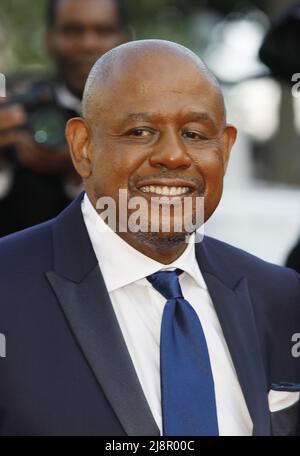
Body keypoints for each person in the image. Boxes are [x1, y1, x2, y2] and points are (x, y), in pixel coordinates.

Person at [0, 40, 299, 437]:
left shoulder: (280, 296)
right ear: (83, 147)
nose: (173, 156)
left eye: (194, 134)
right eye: (140, 131)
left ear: (225, 149)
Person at [0, 0, 128, 236]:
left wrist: (86, 171)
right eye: (72, 31)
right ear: (49, 40)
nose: (88, 43)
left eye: (104, 30)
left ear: (125, 39)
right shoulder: (19, 109)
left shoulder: (150, 116)